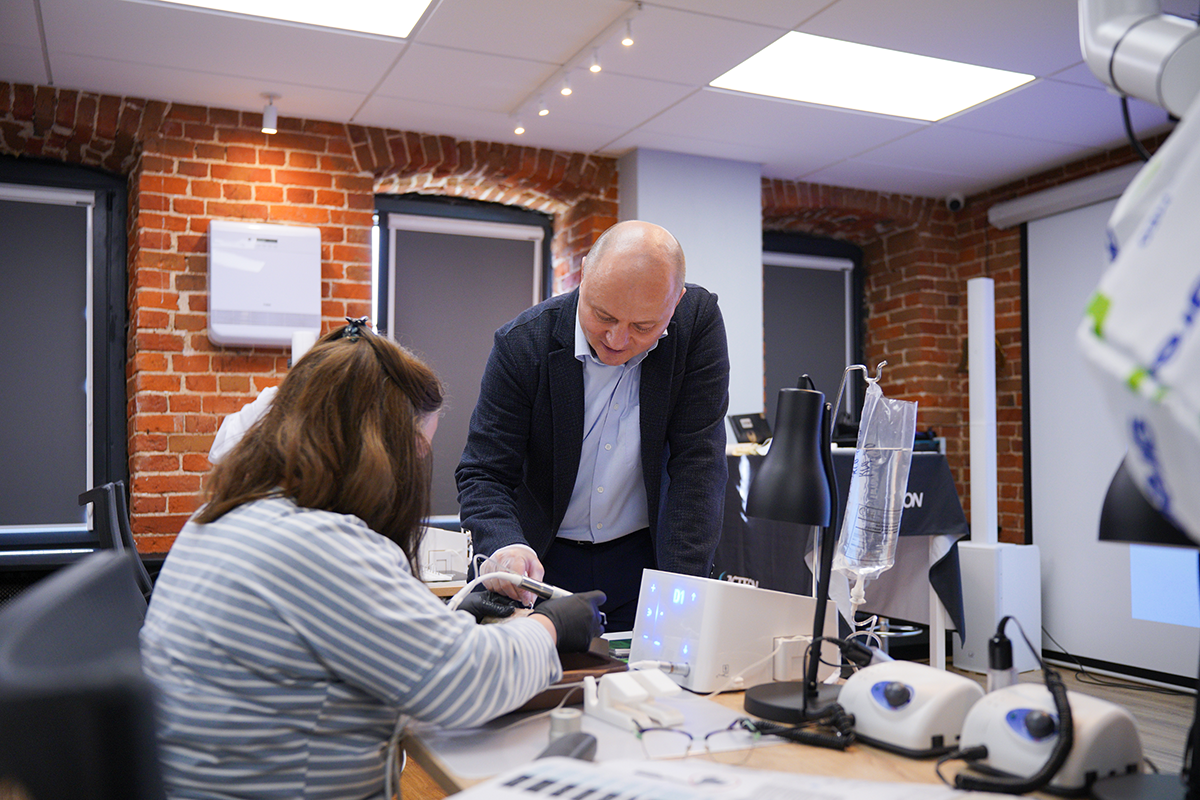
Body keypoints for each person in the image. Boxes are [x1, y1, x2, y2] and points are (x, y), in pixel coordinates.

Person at [140, 318, 604, 800]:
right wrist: (552, 624)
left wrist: (448, 622)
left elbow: (362, 653)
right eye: (417, 454)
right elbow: (461, 685)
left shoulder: (224, 519)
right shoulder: (319, 544)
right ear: (382, 450)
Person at [456, 220, 730, 632]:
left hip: (646, 559)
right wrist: (506, 547)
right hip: (539, 563)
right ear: (584, 275)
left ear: (675, 303)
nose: (617, 340)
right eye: (603, 316)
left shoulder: (696, 324)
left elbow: (698, 464)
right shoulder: (523, 344)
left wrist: (681, 589)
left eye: (643, 327)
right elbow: (484, 472)